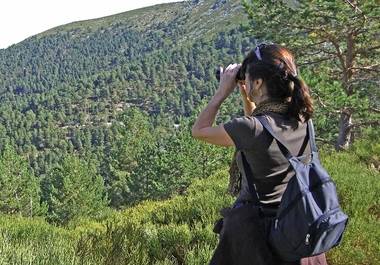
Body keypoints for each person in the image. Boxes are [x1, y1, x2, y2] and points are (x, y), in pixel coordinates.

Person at [191, 43, 328, 265]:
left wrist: (221, 92)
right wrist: (248, 97)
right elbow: (259, 135)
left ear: (258, 82)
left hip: (257, 238)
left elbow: (200, 131)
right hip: (298, 229)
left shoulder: (250, 129)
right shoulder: (302, 119)